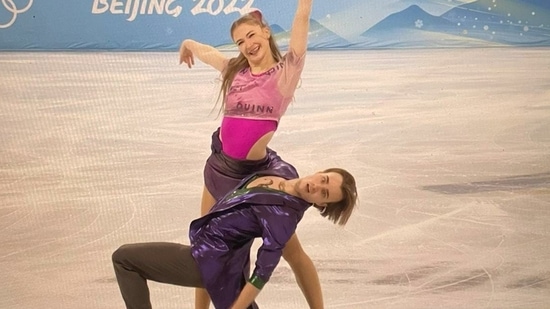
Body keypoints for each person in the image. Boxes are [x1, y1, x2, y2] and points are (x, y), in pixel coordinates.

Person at [178, 1, 320, 308]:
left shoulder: (284, 75)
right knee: (203, 249)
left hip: (251, 180)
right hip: (218, 171)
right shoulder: (236, 71)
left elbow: (299, 33)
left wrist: (304, 7)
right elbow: (211, 54)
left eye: (252, 35)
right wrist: (189, 43)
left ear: (266, 33)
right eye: (240, 42)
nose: (247, 45)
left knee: (292, 251)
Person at [112, 166, 358, 309]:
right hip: (220, 259)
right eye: (323, 180)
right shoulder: (282, 168)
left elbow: (263, 274)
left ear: (321, 205)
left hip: (211, 263)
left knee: (125, 259)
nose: (317, 186)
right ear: (320, 171)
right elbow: (250, 139)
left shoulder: (283, 218)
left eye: (324, 193)